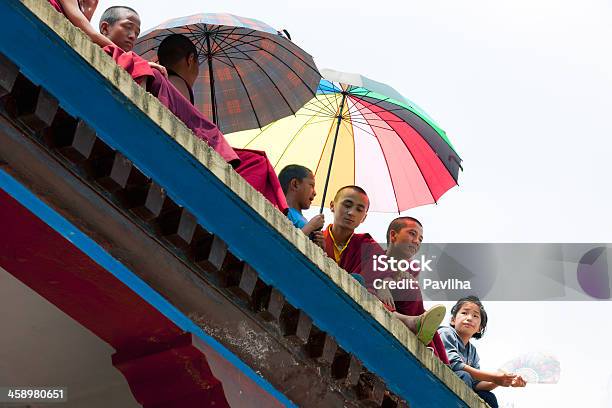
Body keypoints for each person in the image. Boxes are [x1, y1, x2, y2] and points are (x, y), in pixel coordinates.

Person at [374, 217, 449, 361]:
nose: (417, 241)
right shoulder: (375, 257)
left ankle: (438, 358)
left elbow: (411, 300)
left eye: (421, 239)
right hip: (381, 304)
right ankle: (414, 324)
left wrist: (400, 279)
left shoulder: (413, 268)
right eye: (412, 234)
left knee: (413, 289)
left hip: (403, 309)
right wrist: (383, 282)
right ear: (393, 235)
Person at [438, 297, 526, 408]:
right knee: (463, 375)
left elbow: (475, 385)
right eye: (464, 313)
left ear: (479, 328)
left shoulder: (472, 352)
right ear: (453, 320)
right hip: (441, 383)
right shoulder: (446, 333)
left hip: (463, 388)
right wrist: (494, 377)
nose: (469, 318)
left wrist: (502, 381)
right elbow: (455, 365)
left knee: (489, 397)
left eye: (475, 316)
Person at [277, 165, 324, 247]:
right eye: (311, 185)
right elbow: (288, 244)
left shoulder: (303, 220)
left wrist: (321, 246)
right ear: (295, 184)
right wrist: (311, 226)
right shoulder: (284, 212)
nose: (315, 193)